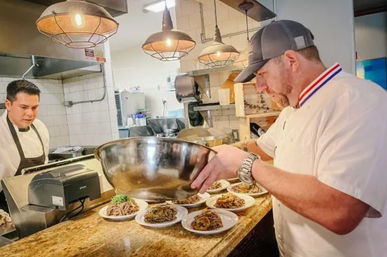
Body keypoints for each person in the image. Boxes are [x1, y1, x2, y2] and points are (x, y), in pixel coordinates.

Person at [191, 20, 387, 257]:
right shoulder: (291, 110)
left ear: (291, 61)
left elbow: (340, 210)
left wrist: (248, 165)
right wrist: (211, 155)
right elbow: (259, 146)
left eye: (262, 74)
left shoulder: (357, 100)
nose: (260, 86)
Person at [0, 80, 49, 212]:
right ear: (8, 104)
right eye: (24, 107)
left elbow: (44, 167)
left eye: (34, 107)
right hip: (6, 211)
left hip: (40, 203)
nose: (30, 113)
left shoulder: (40, 127)